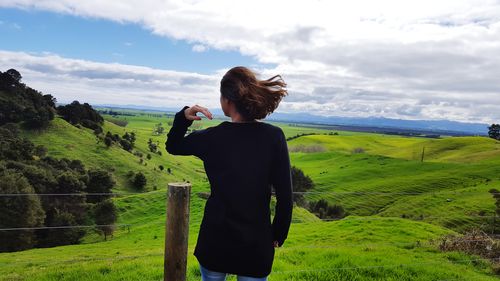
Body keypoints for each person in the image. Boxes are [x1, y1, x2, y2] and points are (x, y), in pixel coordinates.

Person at [166, 66, 293, 281]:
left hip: (215, 239)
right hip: (256, 242)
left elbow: (174, 145)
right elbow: (285, 195)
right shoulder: (274, 137)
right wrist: (278, 233)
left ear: (228, 100)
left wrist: (184, 116)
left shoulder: (212, 137)